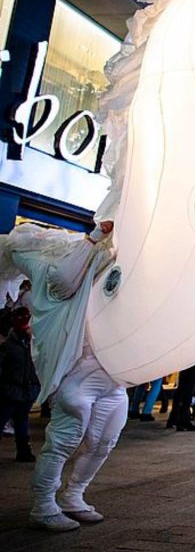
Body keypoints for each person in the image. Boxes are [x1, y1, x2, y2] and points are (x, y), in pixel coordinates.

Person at [4, 221, 120, 531]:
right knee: (63, 442)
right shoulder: (49, 271)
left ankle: (74, 496)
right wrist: (92, 239)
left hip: (112, 374)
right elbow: (64, 280)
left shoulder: (93, 263)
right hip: (77, 373)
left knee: (104, 440)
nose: (51, 236)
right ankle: (43, 506)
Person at [0, 307, 40, 462]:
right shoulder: (11, 347)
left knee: (21, 420)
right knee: (10, 419)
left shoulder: (17, 346)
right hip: (14, 390)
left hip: (23, 390)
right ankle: (24, 451)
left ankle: (24, 451)